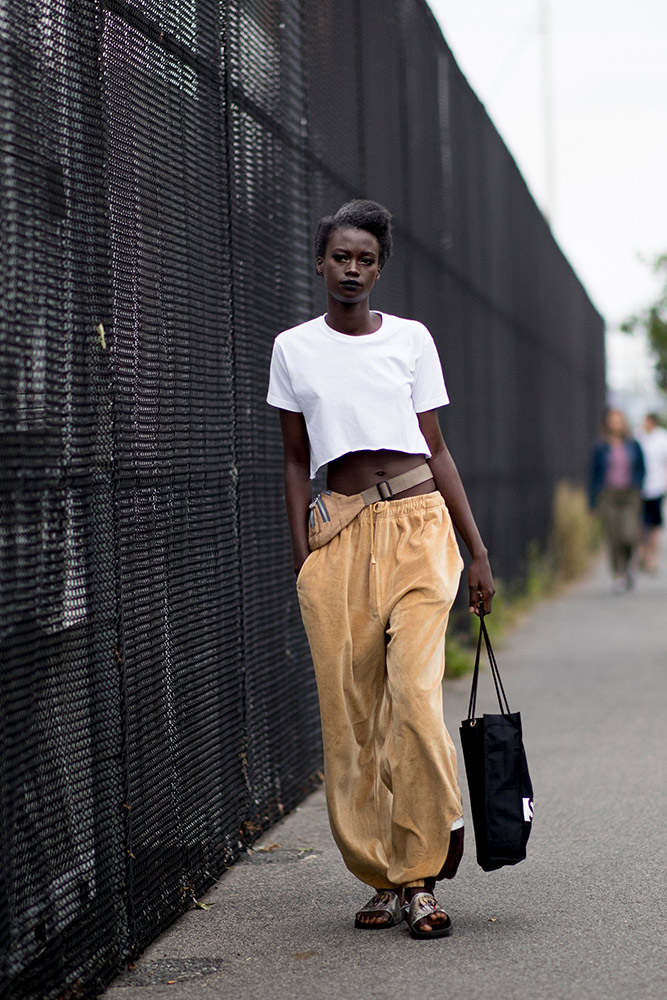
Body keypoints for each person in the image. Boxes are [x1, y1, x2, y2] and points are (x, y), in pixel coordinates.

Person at [267, 200, 495, 939]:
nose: (352, 269)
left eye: (365, 258)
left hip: (419, 527)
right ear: (320, 261)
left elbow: (437, 447)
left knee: (414, 696)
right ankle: (383, 875)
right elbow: (297, 458)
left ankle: (423, 872)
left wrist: (477, 550)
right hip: (338, 537)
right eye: (341, 256)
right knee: (351, 718)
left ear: (378, 267)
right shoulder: (293, 349)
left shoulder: (410, 340)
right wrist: (305, 560)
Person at [589, 408, 645, 591]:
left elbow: (641, 469)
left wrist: (638, 487)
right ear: (607, 423)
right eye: (613, 420)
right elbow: (594, 475)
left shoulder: (633, 444)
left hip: (629, 495)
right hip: (608, 496)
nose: (616, 424)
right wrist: (592, 503)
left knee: (628, 536)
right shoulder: (601, 447)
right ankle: (617, 574)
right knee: (613, 537)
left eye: (619, 420)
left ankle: (628, 566)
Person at [637, 412, 667, 574]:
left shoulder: (662, 438)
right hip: (640, 488)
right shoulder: (638, 437)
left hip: (656, 488)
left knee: (655, 525)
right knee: (641, 524)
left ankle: (652, 558)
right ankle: (642, 553)